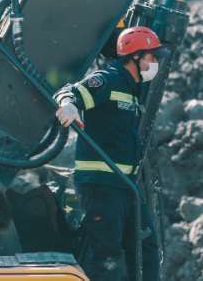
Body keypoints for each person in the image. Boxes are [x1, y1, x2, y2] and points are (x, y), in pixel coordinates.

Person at [54, 26, 169, 281]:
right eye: (152, 56)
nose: (155, 62)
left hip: (126, 185)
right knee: (105, 255)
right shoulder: (108, 79)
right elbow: (69, 92)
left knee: (146, 248)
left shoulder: (135, 89)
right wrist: (69, 106)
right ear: (135, 57)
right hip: (100, 187)